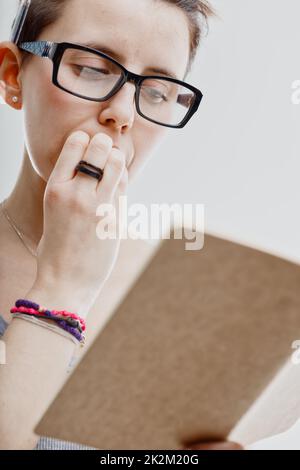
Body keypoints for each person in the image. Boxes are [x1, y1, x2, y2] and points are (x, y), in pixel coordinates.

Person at [0, 0, 242, 450]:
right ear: (13, 75)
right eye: (92, 68)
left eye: (156, 91)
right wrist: (62, 285)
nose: (123, 114)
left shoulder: (181, 298)